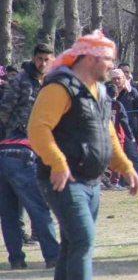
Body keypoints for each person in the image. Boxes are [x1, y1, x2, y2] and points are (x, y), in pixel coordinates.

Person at [27, 31, 138, 280]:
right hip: (65, 180)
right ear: (89, 58)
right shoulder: (59, 88)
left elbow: (107, 135)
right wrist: (57, 162)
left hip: (91, 182)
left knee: (71, 245)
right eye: (108, 59)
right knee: (83, 240)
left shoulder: (99, 91)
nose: (112, 66)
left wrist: (126, 167)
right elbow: (37, 128)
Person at [0, 43, 59, 270]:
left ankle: (16, 259)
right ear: (33, 59)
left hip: (23, 150)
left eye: (47, 59)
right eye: (39, 59)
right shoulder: (20, 80)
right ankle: (52, 256)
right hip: (19, 148)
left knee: (11, 212)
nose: (43, 63)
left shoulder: (51, 82)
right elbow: (4, 112)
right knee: (36, 208)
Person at [110, 69, 138, 188]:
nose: (116, 81)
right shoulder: (108, 92)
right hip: (112, 130)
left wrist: (137, 120)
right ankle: (118, 182)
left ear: (123, 78)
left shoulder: (132, 92)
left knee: (133, 154)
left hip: (128, 128)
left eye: (118, 78)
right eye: (114, 79)